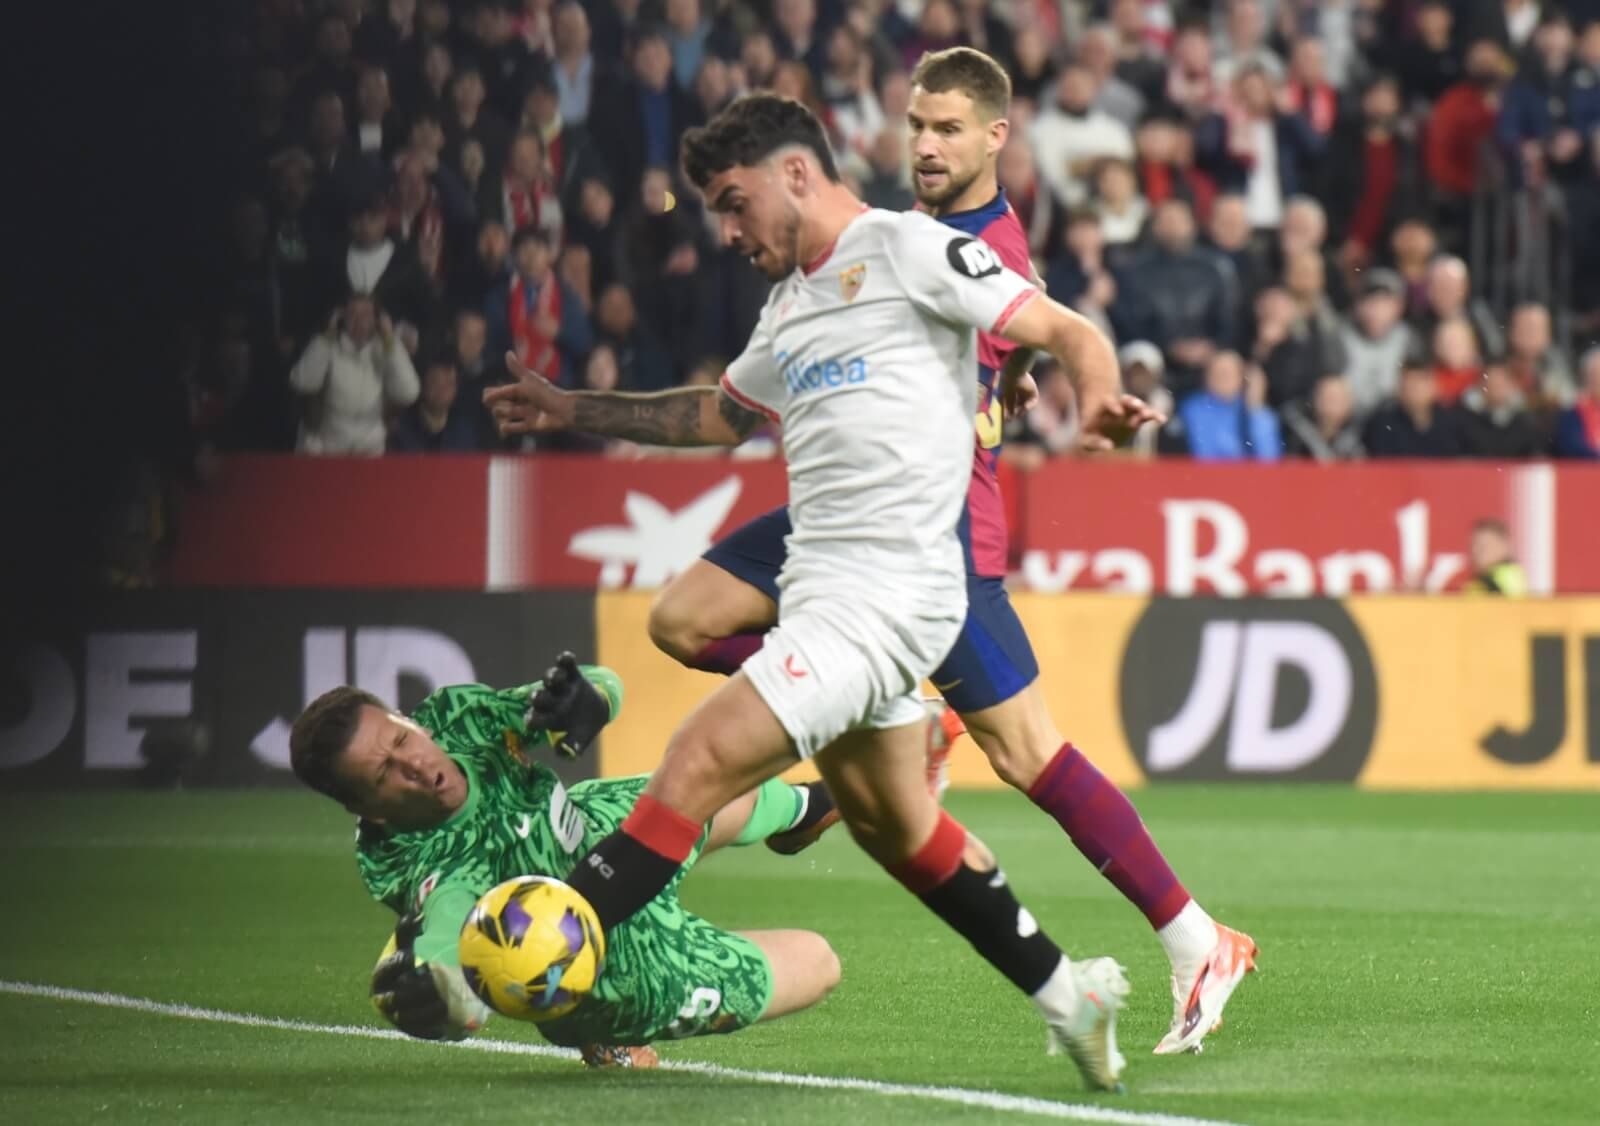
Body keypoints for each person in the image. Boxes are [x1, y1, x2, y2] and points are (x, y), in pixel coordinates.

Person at [493, 70, 1255, 1067]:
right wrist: (571, 408)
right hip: (825, 550)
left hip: (910, 564)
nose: (926, 144)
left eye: (948, 128)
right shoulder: (800, 298)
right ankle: (1071, 997)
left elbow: (1056, 325)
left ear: (994, 137)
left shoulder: (923, 243)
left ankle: (517, 961)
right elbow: (718, 416)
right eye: (915, 125)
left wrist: (1092, 391)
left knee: (727, 765)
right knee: (881, 812)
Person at [289, 656, 843, 1067]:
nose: (411, 764)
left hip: (598, 836)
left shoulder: (458, 719)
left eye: (401, 738)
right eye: (384, 772)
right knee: (820, 963)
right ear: (362, 807)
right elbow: (446, 933)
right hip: (611, 962)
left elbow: (593, 687)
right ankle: (597, 1029)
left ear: (412, 721)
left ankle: (806, 809)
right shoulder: (423, 867)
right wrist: (440, 990)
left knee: (704, 779)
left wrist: (591, 699)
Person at [1462, 519, 1529, 595]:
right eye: (1473, 545)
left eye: (1483, 546)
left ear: (1504, 545)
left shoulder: (1509, 575)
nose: (1476, 551)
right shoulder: (1480, 580)